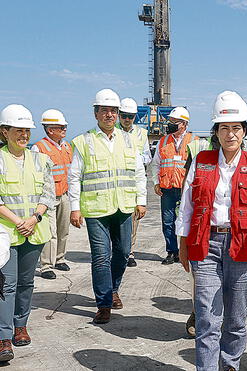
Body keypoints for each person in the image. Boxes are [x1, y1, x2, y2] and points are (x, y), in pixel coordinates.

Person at [175, 91, 247, 371]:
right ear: (216, 132)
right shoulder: (202, 160)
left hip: (243, 245)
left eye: (236, 128)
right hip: (206, 245)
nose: (230, 134)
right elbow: (186, 205)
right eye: (224, 128)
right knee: (208, 316)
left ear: (244, 131)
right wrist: (182, 243)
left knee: (235, 317)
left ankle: (230, 364)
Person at [68, 89, 147, 324]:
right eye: (105, 110)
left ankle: (113, 288)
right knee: (101, 256)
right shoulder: (83, 142)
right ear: (96, 113)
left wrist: (140, 200)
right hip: (96, 209)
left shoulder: (130, 140)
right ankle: (103, 303)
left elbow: (139, 172)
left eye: (113, 111)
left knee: (122, 253)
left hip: (123, 206)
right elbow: (74, 176)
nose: (110, 115)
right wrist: (75, 207)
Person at [0, 104, 55, 362]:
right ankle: (4, 336)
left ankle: (21, 325)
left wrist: (34, 218)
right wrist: (17, 220)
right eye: (18, 130)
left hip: (33, 231)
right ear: (4, 131)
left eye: (26, 130)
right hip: (6, 233)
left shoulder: (41, 160)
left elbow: (48, 194)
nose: (24, 135)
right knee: (5, 285)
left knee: (26, 282)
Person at [150, 107, 198, 265]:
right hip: (168, 188)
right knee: (168, 221)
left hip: (187, 189)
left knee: (189, 220)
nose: (170, 124)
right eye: (170, 121)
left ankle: (189, 250)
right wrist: (156, 183)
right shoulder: (163, 142)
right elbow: (156, 164)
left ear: (184, 124)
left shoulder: (194, 141)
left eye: (174, 122)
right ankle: (172, 252)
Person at [31, 109, 73, 280]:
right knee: (50, 231)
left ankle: (60, 258)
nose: (64, 129)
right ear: (50, 129)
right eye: (61, 127)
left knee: (63, 229)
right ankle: (46, 265)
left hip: (64, 194)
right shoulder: (38, 148)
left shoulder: (66, 146)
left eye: (64, 126)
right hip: (48, 197)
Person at [117, 97, 151, 268]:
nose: (127, 120)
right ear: (118, 115)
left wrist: (133, 158)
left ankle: (129, 252)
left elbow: (147, 156)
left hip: (134, 179)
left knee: (132, 221)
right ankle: (115, 252)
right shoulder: (111, 132)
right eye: (124, 116)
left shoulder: (141, 134)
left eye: (130, 117)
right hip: (116, 183)